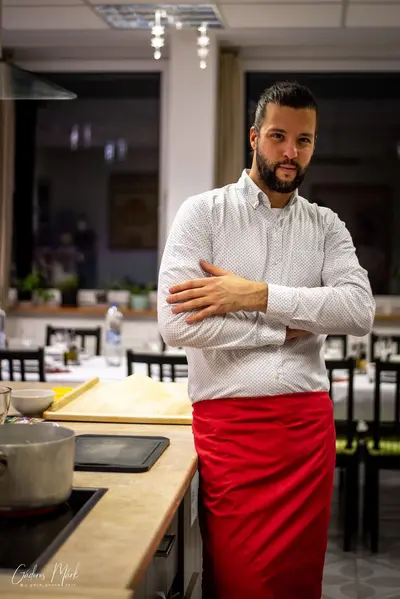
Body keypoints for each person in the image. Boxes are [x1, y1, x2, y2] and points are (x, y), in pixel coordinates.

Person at [157, 81, 375, 599]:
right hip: (230, 431)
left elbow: (358, 309)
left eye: (304, 140)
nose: (290, 151)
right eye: (278, 136)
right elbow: (176, 324)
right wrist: (284, 326)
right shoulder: (203, 214)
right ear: (255, 137)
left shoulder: (326, 226)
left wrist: (255, 295)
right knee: (240, 582)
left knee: (298, 586)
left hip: (306, 433)